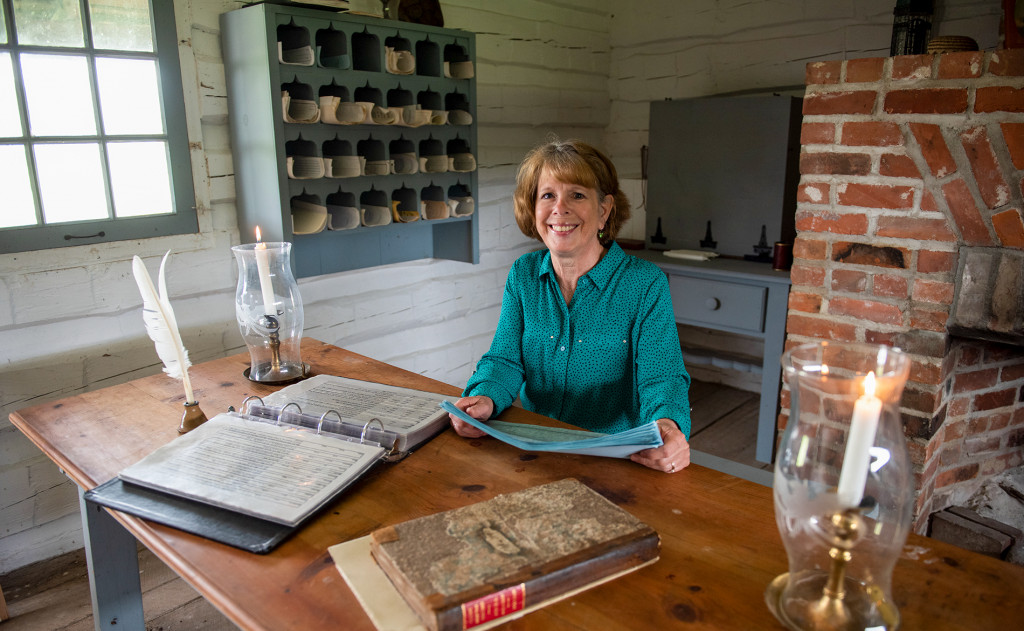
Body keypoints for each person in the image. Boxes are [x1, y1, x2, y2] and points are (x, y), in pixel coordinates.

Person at [448, 139, 692, 473]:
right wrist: (484, 399)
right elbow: (505, 359)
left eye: (577, 194)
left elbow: (661, 377)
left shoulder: (644, 283)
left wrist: (668, 426)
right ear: (532, 208)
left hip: (615, 457)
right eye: (547, 195)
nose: (559, 209)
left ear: (604, 210)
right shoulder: (523, 274)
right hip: (532, 449)